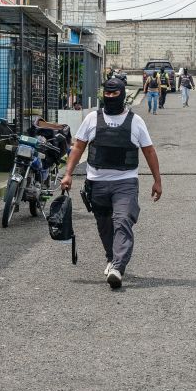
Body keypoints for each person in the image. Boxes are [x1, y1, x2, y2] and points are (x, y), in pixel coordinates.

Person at [60, 77, 163, 289]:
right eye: (107, 94)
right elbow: (78, 147)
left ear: (122, 95)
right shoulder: (91, 119)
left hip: (125, 182)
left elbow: (149, 151)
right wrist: (68, 174)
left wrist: (157, 181)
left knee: (123, 220)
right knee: (105, 225)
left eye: (114, 94)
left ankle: (117, 266)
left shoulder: (136, 122)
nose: (110, 97)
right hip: (96, 183)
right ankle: (111, 258)